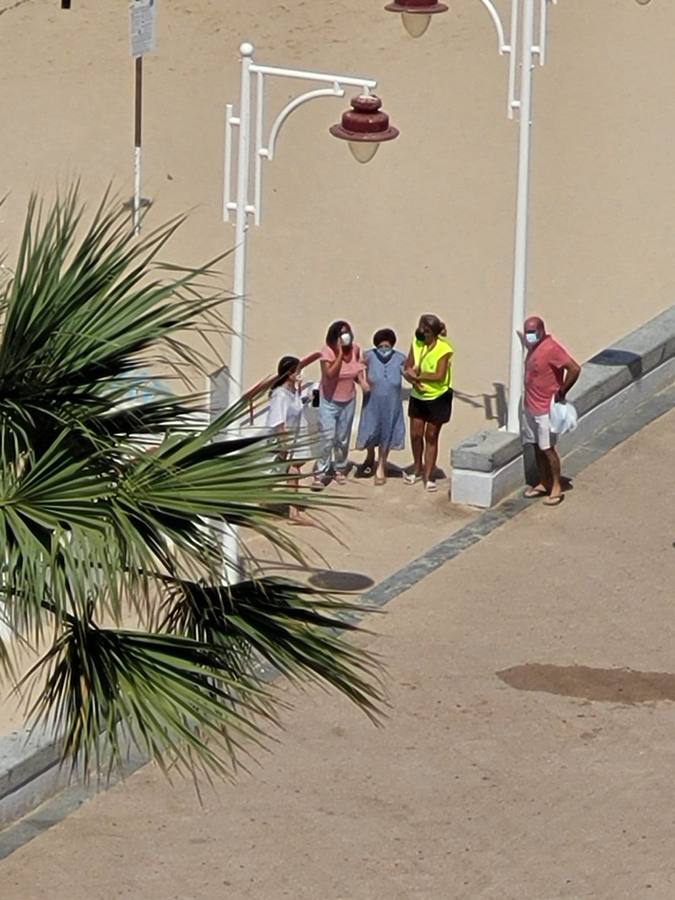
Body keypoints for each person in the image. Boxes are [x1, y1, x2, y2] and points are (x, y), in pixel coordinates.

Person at [521, 315, 581, 507]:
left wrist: (562, 390)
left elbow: (574, 368)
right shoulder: (533, 348)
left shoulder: (552, 348)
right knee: (536, 446)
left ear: (541, 330)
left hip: (545, 409)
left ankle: (556, 486)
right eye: (527, 332)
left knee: (547, 449)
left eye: (532, 332)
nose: (529, 335)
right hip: (530, 406)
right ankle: (544, 481)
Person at [312, 320, 368, 490]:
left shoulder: (356, 349)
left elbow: (357, 369)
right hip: (329, 401)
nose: (346, 336)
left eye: (348, 332)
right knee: (327, 438)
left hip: (348, 400)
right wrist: (339, 353)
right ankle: (321, 472)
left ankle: (340, 468)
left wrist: (362, 382)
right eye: (343, 333)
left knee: (342, 438)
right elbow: (330, 374)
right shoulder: (327, 352)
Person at [403, 314, 454, 492]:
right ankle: (418, 467)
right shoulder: (416, 343)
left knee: (431, 436)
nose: (422, 333)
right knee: (416, 434)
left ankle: (429, 473)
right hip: (418, 395)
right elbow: (408, 364)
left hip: (437, 397)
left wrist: (420, 376)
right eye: (420, 329)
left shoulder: (444, 349)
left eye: (426, 331)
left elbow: (439, 375)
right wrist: (410, 376)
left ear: (433, 333)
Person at [356, 328, 406, 485]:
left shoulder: (400, 357)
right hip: (372, 401)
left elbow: (408, 371)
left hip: (391, 403)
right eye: (381, 345)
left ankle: (381, 465)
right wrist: (362, 381)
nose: (384, 348)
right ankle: (370, 456)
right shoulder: (369, 355)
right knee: (371, 429)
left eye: (387, 345)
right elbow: (358, 368)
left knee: (387, 431)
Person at [266, 355, 313, 523]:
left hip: (293, 440)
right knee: (289, 472)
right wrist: (283, 444)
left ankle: (292, 510)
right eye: (297, 370)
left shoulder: (292, 392)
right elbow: (278, 422)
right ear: (290, 373)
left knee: (290, 472)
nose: (300, 373)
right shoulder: (280, 395)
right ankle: (293, 513)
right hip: (282, 441)